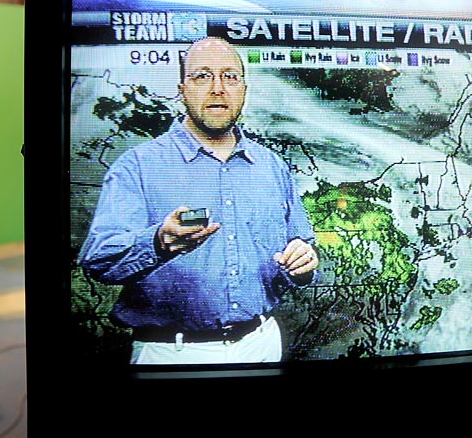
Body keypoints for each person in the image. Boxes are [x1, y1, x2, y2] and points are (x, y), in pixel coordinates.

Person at [78, 37, 318, 365]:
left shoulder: (272, 167)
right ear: (182, 89)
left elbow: (302, 247)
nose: (218, 88)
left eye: (230, 76)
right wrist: (158, 243)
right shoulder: (137, 167)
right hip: (169, 355)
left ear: (243, 89)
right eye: (203, 76)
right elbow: (98, 260)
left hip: (261, 345)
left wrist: (304, 263)